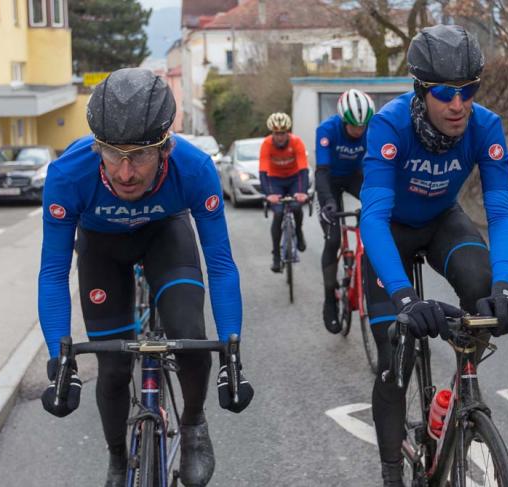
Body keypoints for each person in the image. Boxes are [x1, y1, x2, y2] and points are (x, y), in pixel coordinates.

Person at [37, 68, 253, 487]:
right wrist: (59, 356)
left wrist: (232, 352)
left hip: (164, 237)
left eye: (140, 155)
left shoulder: (194, 170)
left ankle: (193, 425)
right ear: (97, 146)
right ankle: (118, 459)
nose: (125, 172)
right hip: (102, 248)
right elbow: (52, 272)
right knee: (113, 367)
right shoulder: (68, 176)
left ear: (165, 147)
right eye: (113, 154)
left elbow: (222, 266)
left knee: (190, 333)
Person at [359, 25, 508, 486]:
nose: (458, 105)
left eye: (468, 90)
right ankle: (392, 470)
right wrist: (403, 298)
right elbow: (372, 218)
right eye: (443, 93)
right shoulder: (390, 125)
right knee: (396, 351)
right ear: (421, 90)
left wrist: (506, 287)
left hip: (441, 221)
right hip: (390, 229)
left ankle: (458, 398)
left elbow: (501, 212)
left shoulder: (486, 126)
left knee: (482, 291)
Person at [316, 89, 375, 333]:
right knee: (333, 241)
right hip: (329, 180)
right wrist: (328, 203)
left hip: (355, 177)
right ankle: (330, 298)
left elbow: (377, 169)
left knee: (377, 218)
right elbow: (321, 172)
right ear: (343, 119)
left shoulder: (371, 130)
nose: (359, 131)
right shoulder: (327, 130)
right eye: (353, 126)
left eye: (363, 126)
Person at [259, 112, 310, 273]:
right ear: (272, 133)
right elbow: (263, 173)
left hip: (294, 179)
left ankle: (299, 232)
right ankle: (276, 255)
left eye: (283, 133)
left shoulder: (297, 143)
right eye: (276, 133)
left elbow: (303, 170)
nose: (280, 137)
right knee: (279, 213)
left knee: (296, 207)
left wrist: (302, 192)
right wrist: (269, 194)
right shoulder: (266, 144)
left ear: (288, 132)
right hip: (275, 181)